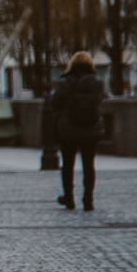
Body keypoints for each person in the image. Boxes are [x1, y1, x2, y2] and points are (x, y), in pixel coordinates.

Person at [49, 50, 106, 211]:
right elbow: (100, 101)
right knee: (89, 165)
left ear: (72, 64)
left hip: (69, 129)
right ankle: (88, 200)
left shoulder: (66, 82)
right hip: (90, 128)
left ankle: (69, 198)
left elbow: (55, 103)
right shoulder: (96, 82)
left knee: (68, 165)